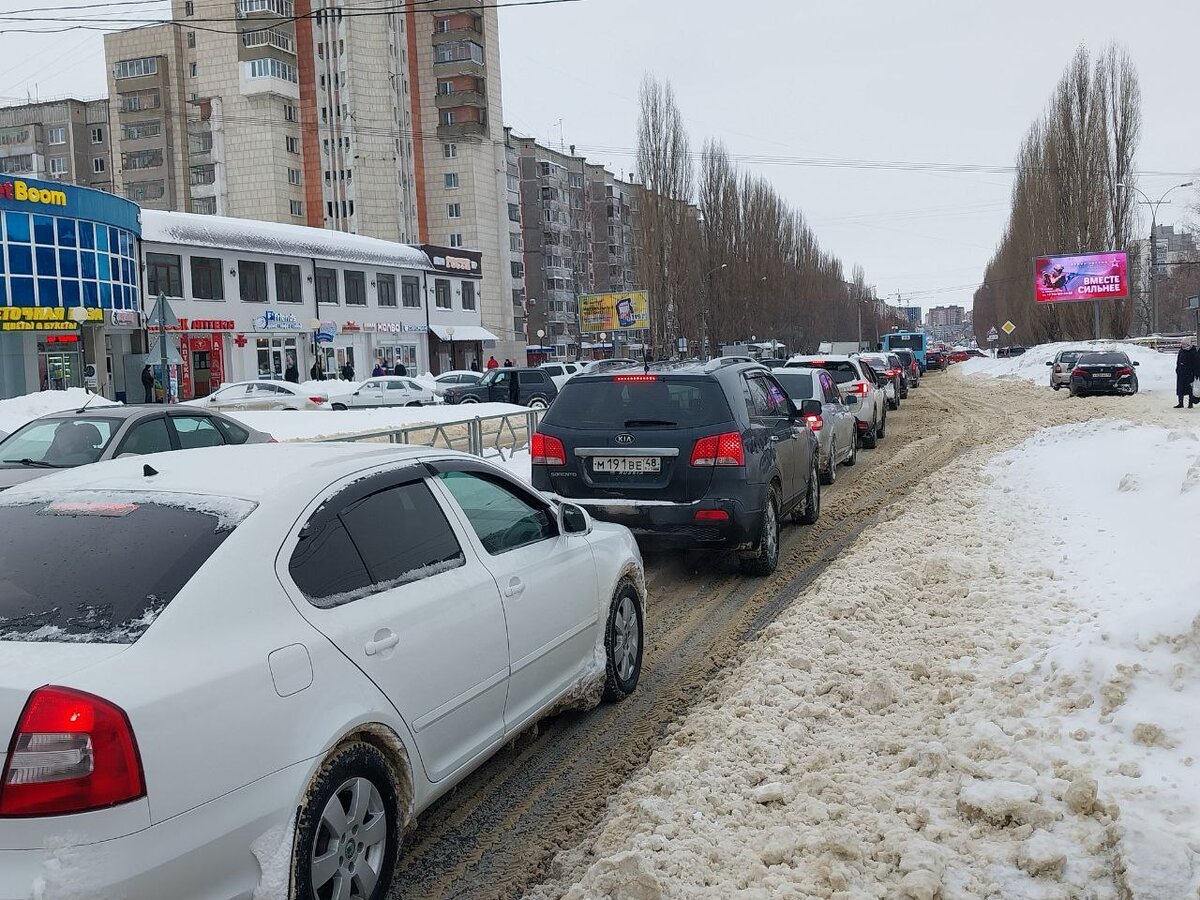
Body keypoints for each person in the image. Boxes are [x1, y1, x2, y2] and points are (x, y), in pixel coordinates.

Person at [1175, 338, 1198, 409]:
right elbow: (1178, 361)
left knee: (1190, 389)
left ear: (1188, 344)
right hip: (1181, 373)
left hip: (1190, 373)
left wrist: (1195, 373)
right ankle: (1180, 403)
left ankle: (1190, 404)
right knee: (1180, 388)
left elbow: (1196, 363)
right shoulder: (1181, 351)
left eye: (1184, 344)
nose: (1182, 345)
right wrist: (1177, 369)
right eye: (1181, 344)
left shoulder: (1193, 352)